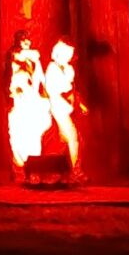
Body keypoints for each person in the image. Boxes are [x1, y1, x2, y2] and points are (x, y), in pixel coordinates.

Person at [7, 32, 48, 177]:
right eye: (23, 41)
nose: (27, 43)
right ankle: (19, 168)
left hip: (33, 99)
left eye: (28, 40)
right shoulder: (15, 56)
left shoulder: (34, 59)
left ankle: (33, 167)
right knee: (19, 134)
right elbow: (20, 58)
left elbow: (40, 77)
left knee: (33, 134)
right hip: (20, 100)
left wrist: (43, 94)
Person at [43, 39, 82, 178]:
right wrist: (66, 95)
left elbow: (71, 88)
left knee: (66, 138)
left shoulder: (67, 68)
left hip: (67, 106)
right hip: (58, 106)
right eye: (67, 53)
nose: (70, 57)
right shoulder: (52, 69)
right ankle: (74, 169)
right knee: (71, 136)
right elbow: (54, 90)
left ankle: (66, 169)